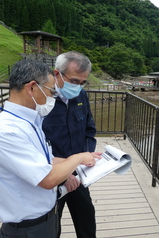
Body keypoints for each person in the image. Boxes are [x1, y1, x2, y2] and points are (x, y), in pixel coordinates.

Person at [0, 59, 101, 238]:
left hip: (45, 216)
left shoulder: (30, 122)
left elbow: (45, 160)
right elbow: (47, 178)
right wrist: (77, 158)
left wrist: (80, 160)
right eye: (51, 91)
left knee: (86, 220)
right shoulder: (6, 132)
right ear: (31, 88)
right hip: (28, 227)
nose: (53, 97)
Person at [42, 51, 97, 238]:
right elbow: (36, 146)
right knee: (52, 226)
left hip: (79, 172)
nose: (78, 87)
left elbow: (89, 130)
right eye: (74, 81)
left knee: (86, 219)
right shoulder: (41, 101)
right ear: (57, 74)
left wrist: (87, 158)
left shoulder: (82, 97)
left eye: (83, 82)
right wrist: (63, 173)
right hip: (52, 175)